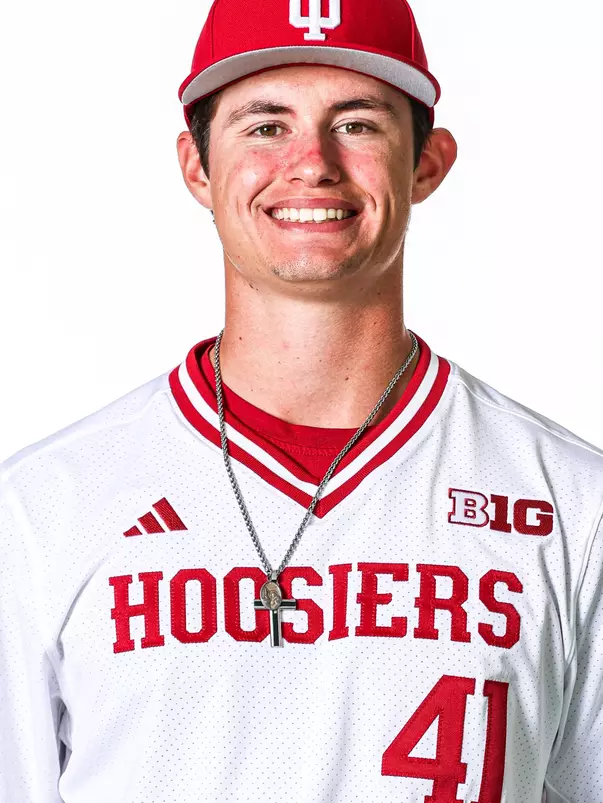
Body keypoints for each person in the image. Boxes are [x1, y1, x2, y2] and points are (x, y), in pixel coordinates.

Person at [1, 0, 601, 800]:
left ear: (427, 163)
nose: (311, 162)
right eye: (264, 125)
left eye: (357, 123)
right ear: (196, 166)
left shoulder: (569, 502)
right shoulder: (44, 508)